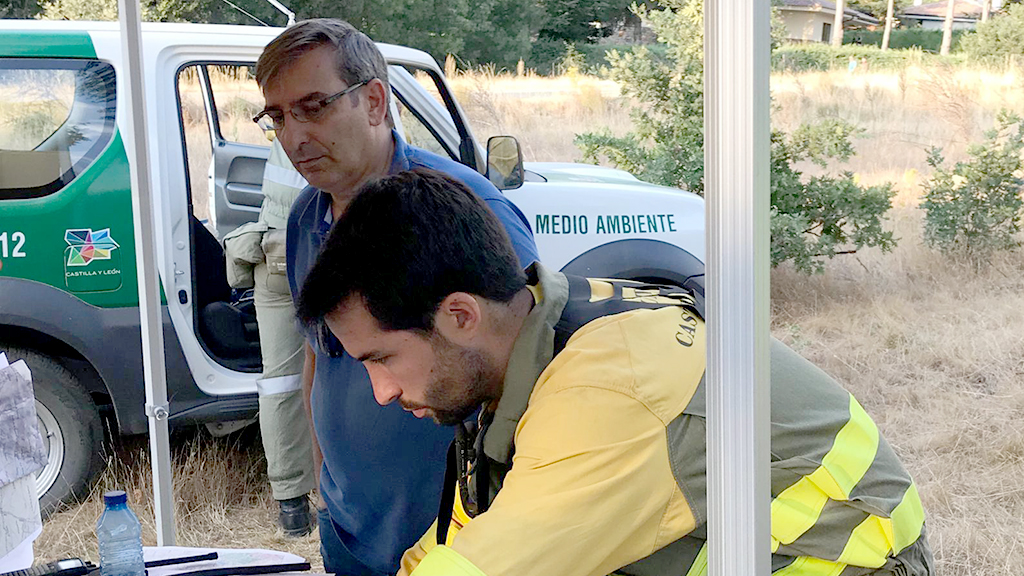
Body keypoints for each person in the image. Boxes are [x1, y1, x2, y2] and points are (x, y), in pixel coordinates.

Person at [295, 168, 935, 576]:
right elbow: (462, 546)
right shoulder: (525, 351)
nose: (381, 393)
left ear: (460, 314)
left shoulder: (610, 384)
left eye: (381, 359)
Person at [251, 19, 539, 575]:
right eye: (278, 117)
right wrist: (324, 483)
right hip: (349, 531)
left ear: (376, 101)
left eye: (313, 107)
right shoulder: (305, 216)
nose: (294, 136)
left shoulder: (464, 208)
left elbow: (525, 370)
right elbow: (319, 354)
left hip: (454, 542)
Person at [222, 140, 315, 536]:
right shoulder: (347, 105)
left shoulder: (288, 123)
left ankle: (292, 508)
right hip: (319, 245)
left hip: (271, 248)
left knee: (279, 381)